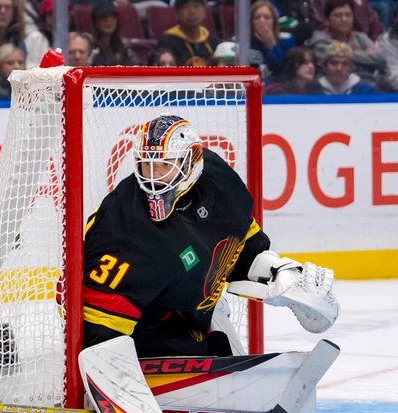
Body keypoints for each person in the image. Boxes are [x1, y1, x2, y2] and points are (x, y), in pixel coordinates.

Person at [82, 115, 338, 360]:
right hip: (141, 326)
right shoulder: (123, 226)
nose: (153, 176)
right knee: (215, 350)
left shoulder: (216, 178)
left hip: (187, 308)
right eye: (146, 165)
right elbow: (100, 328)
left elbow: (239, 247)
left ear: (191, 162)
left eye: (163, 165)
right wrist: (114, 376)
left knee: (222, 338)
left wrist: (275, 273)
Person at [308, 0, 384, 83]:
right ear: (328, 18)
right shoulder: (319, 40)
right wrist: (363, 53)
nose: (344, 19)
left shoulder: (360, 37)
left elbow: (380, 58)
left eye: (348, 15)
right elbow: (338, 60)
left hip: (365, 85)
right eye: (338, 15)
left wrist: (346, 53)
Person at [158, 0, 220, 66]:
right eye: (186, 7)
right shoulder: (168, 42)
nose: (192, 11)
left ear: (204, 11)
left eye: (196, 6)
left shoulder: (212, 41)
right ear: (177, 13)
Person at [249, 0, 295, 82]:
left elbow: (287, 72)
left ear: (274, 21)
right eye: (257, 17)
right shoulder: (243, 42)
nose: (262, 21)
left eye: (266, 17)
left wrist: (273, 45)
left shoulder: (287, 40)